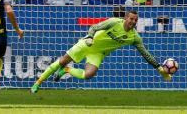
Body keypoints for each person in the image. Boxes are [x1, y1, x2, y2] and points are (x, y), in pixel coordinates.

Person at [31, 10, 172, 93]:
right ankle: (38, 82)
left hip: (97, 53)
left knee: (89, 74)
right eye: (131, 19)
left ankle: (67, 70)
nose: (133, 22)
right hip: (87, 44)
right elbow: (94, 27)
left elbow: (145, 54)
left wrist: (159, 68)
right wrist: (90, 37)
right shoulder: (113, 22)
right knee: (61, 60)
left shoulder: (134, 37)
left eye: (135, 20)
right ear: (125, 18)